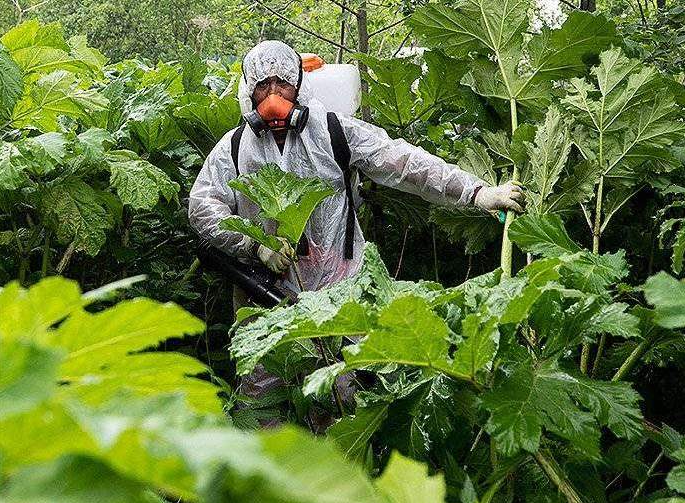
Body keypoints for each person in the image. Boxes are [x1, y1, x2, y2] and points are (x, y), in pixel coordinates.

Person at [188, 40, 524, 407]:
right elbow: (202, 206)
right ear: (248, 92)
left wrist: (477, 193)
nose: (273, 95)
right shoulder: (235, 147)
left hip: (339, 290)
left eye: (281, 84)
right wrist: (253, 246)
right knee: (265, 398)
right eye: (263, 86)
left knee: (342, 392)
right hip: (264, 294)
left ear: (299, 85)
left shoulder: (332, 131)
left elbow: (403, 162)